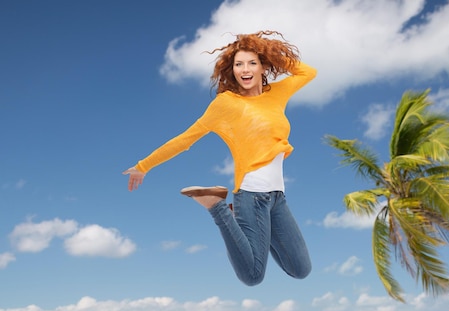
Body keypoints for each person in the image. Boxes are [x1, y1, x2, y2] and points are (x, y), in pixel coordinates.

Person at [123, 31, 316, 286]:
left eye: (252, 63)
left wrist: (269, 51)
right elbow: (185, 139)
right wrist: (143, 166)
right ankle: (216, 205)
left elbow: (308, 73)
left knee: (300, 269)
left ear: (262, 67)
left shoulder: (276, 94)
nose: (244, 70)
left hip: (277, 198)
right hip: (251, 195)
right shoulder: (225, 105)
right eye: (238, 64)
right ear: (232, 69)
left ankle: (241, 224)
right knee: (253, 276)